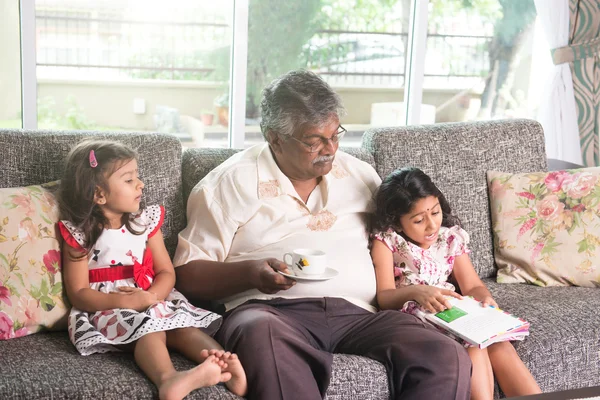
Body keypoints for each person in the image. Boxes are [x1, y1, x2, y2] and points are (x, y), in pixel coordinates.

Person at [174, 69, 472, 400]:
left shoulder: (359, 174)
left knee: (445, 355)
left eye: (335, 134)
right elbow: (187, 274)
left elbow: (405, 237)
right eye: (315, 140)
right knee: (264, 337)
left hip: (360, 314)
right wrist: (250, 274)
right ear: (275, 138)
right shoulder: (227, 184)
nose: (330, 148)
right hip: (269, 312)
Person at [57, 140, 247, 400]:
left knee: (184, 328)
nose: (141, 184)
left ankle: (224, 367)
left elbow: (167, 273)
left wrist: (153, 297)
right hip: (109, 308)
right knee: (151, 328)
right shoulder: (81, 234)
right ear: (99, 194)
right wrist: (127, 301)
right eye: (128, 180)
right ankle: (168, 379)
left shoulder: (144, 222)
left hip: (153, 299)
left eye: (138, 176)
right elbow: (78, 292)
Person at [370, 167, 541, 400]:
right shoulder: (388, 241)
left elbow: (471, 285)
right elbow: (384, 296)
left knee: (499, 344)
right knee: (474, 346)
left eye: (435, 212)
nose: (431, 225)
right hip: (420, 315)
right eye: (419, 220)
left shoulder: (450, 238)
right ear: (398, 222)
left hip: (456, 311)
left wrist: (484, 298)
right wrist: (417, 292)